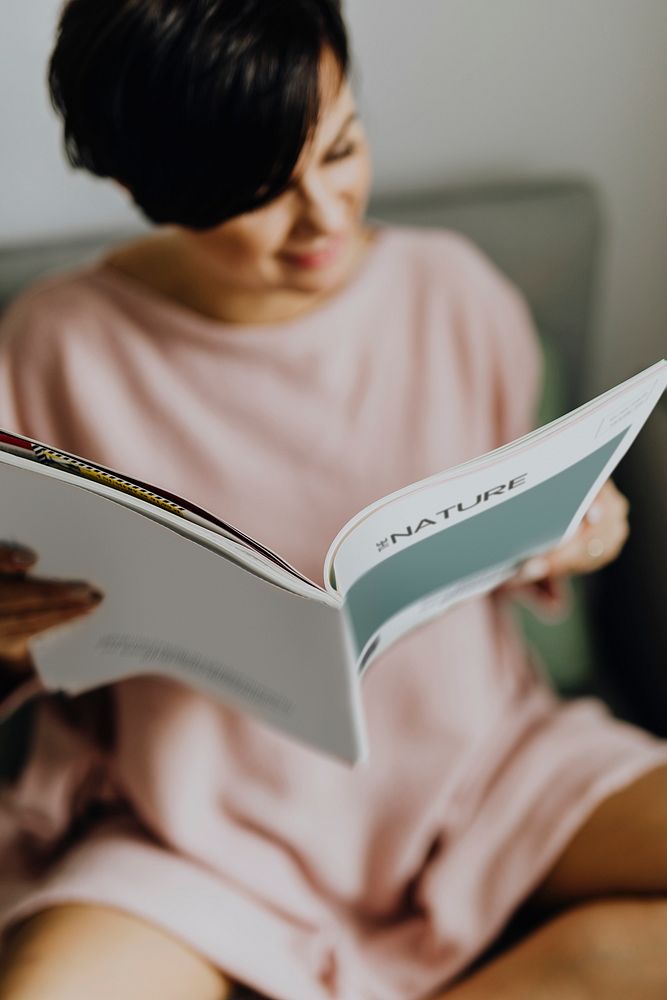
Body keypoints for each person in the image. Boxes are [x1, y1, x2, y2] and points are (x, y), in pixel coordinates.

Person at [0, 2, 666, 998]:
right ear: (151, 191)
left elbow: (528, 532)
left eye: (344, 147)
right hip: (188, 831)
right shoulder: (54, 345)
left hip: (488, 775)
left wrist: (582, 529)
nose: (325, 214)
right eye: (262, 193)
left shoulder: (455, 290)